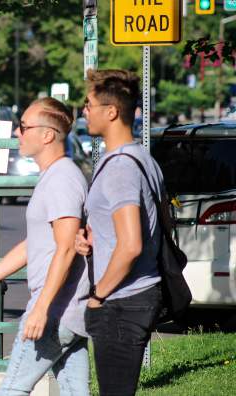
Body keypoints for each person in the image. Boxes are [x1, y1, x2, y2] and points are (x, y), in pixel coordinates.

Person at [0, 97, 90, 396]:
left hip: (55, 311)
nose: (17, 133)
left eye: (24, 127)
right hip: (69, 311)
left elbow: (65, 249)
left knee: (12, 389)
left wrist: (41, 309)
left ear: (47, 135)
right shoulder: (55, 176)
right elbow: (35, 245)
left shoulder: (61, 179)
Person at [75, 69, 164, 396]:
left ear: (111, 112)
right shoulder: (141, 159)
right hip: (133, 296)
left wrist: (98, 297)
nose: (84, 111)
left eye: (89, 104)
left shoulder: (121, 167)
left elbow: (130, 245)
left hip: (121, 301)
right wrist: (90, 234)